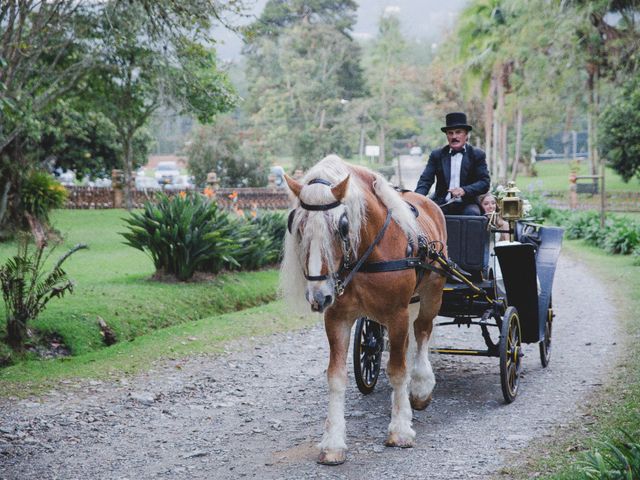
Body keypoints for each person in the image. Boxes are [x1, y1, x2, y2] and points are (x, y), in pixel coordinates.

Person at [415, 112, 490, 215]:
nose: (454, 136)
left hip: (467, 203)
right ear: (447, 136)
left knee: (473, 216)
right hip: (442, 203)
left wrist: (464, 190)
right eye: (450, 133)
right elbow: (425, 180)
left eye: (458, 132)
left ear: (466, 134)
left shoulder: (477, 155)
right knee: (425, 215)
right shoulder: (437, 155)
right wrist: (416, 199)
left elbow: (484, 183)